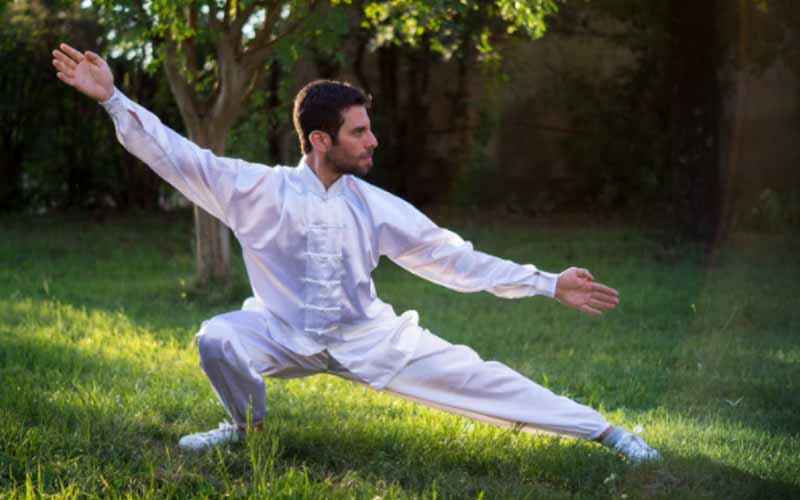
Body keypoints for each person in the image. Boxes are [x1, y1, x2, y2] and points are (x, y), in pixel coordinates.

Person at [52, 42, 661, 464]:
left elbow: (454, 259)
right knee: (216, 337)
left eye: (369, 129)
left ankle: (608, 433)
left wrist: (546, 282)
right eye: (359, 132)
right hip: (281, 333)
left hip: (370, 339)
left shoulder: (376, 206)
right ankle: (244, 431)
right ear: (320, 140)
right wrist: (112, 99)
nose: (374, 141)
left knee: (484, 381)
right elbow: (175, 154)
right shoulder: (255, 190)